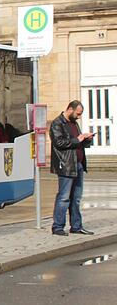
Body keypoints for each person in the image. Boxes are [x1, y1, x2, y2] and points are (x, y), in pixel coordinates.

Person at [50, 100, 95, 236]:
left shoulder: (74, 123)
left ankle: (76, 226)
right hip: (66, 165)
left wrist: (86, 139)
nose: (79, 117)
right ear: (70, 109)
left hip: (78, 164)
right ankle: (58, 226)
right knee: (64, 197)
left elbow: (77, 142)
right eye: (78, 113)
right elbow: (59, 143)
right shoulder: (57, 123)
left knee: (76, 197)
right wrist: (79, 139)